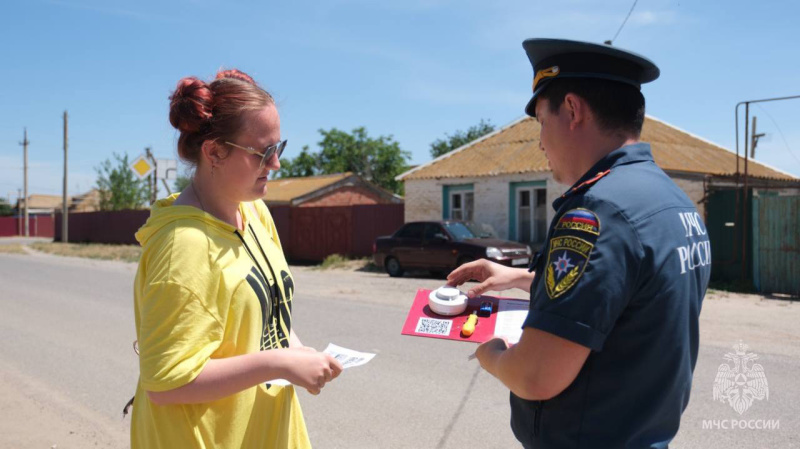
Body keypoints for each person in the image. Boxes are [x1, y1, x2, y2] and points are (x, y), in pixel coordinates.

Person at [448, 39, 711, 448]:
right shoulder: (672, 201)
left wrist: (492, 353)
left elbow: (536, 376)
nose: (539, 143)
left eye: (540, 122)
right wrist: (522, 277)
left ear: (572, 110)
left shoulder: (598, 212)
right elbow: (625, 296)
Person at [130, 69, 342, 448]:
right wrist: (280, 364)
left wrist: (296, 350)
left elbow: (268, 312)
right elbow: (166, 381)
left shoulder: (254, 212)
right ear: (214, 151)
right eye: (263, 152)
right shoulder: (183, 247)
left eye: (279, 147)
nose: (275, 164)